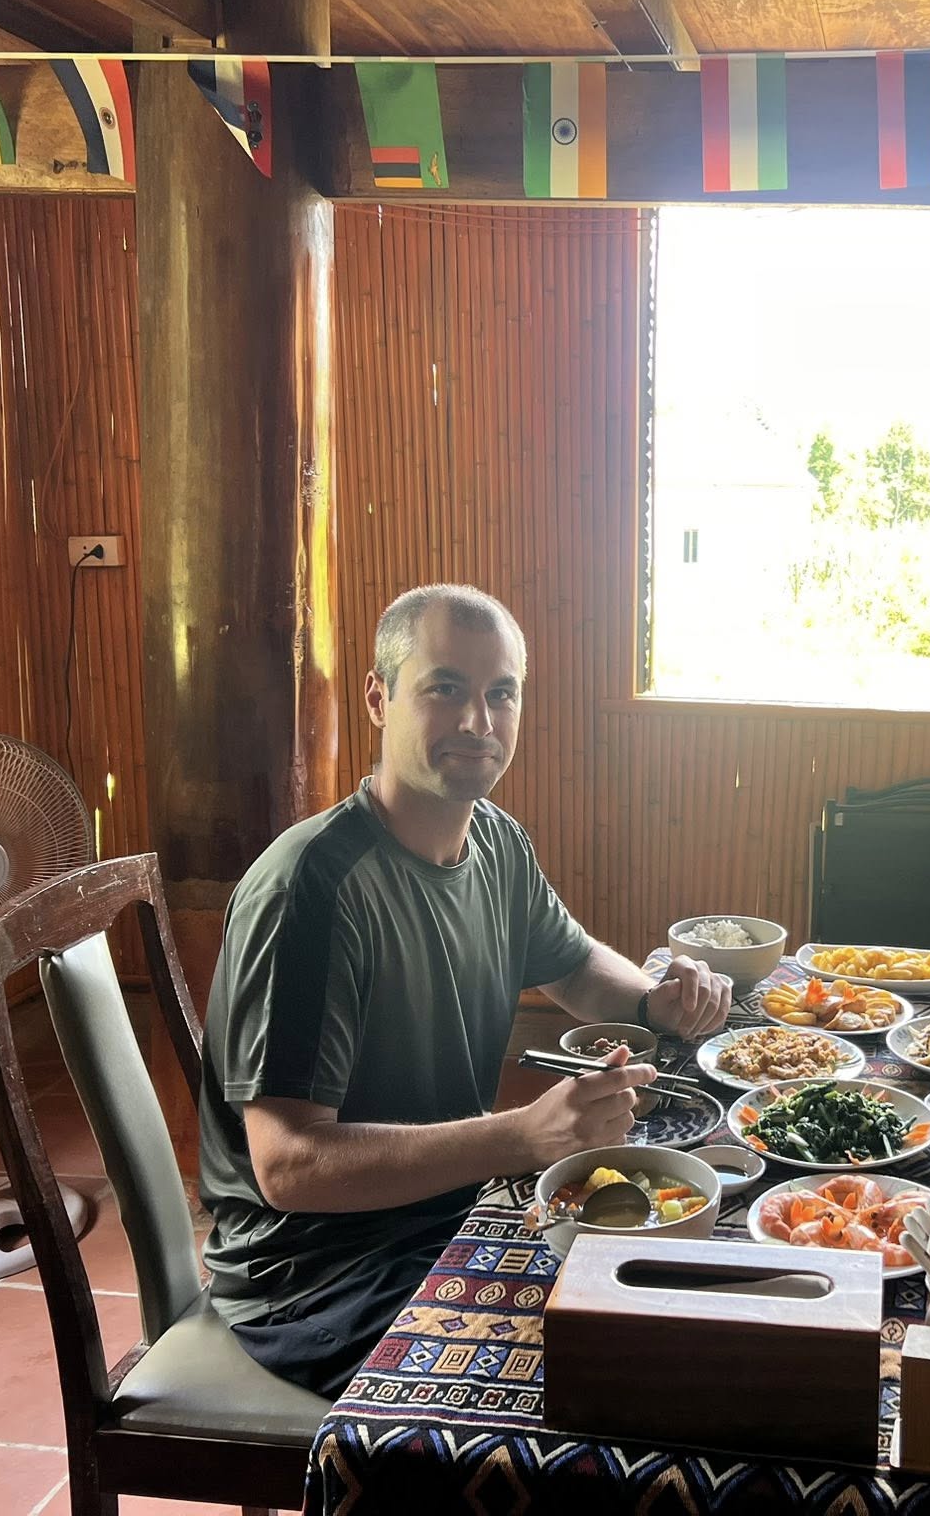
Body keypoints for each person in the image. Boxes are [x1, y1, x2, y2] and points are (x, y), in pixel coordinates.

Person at [196, 583, 734, 1397]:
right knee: (630, 1373)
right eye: (445, 688)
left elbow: (574, 961)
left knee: (700, 1282)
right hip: (318, 1275)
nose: (478, 723)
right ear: (380, 699)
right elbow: (291, 1168)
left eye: (500, 694)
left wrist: (654, 996)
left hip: (450, 1205)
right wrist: (517, 1136)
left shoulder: (495, 841)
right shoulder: (311, 890)